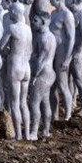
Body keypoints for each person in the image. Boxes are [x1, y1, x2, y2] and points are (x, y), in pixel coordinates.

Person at [0, 1, 31, 140]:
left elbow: (1, 46)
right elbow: (30, 49)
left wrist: (7, 51)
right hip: (26, 67)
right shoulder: (28, 29)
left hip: (16, 67)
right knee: (24, 103)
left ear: (16, 13)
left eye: (11, 10)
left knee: (14, 103)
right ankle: (27, 134)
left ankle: (18, 135)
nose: (9, 12)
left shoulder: (12, 28)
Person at [28, 10, 57, 141]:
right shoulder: (48, 36)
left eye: (35, 21)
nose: (33, 23)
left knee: (34, 103)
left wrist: (34, 75)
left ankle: (34, 132)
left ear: (43, 22)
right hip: (49, 73)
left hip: (43, 74)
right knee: (45, 102)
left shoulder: (45, 38)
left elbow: (42, 60)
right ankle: (45, 130)